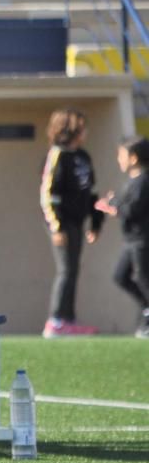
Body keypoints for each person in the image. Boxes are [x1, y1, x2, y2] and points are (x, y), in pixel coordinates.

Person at [39, 108, 103, 338]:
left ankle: (69, 319)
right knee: (66, 270)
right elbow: (48, 195)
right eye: (81, 126)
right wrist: (56, 226)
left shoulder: (84, 157)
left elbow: (92, 192)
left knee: (74, 269)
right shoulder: (57, 155)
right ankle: (55, 320)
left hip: (78, 222)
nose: (85, 131)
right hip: (61, 224)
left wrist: (96, 223)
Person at [94, 136, 149, 338]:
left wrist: (112, 206)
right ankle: (146, 308)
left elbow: (132, 209)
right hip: (131, 240)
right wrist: (114, 202)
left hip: (142, 239)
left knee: (144, 279)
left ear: (133, 158)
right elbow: (126, 204)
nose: (119, 159)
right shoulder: (134, 181)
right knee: (120, 276)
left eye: (121, 155)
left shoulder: (143, 181)